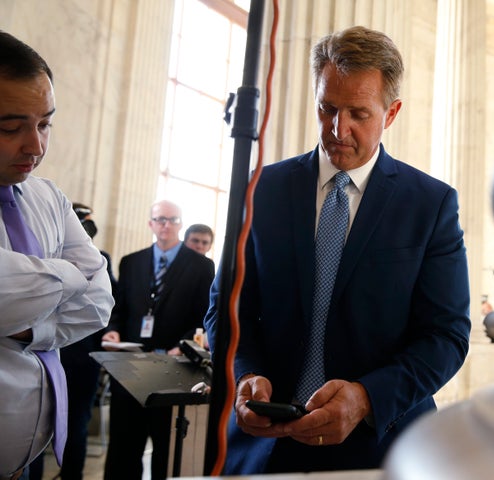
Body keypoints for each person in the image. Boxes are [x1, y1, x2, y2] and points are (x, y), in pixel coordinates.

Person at [204, 26, 471, 474]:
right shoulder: (261, 190)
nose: (337, 128)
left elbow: (446, 335)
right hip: (265, 444)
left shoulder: (431, 205)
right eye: (327, 108)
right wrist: (247, 375)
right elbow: (226, 308)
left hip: (383, 444)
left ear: (391, 113)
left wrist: (368, 397)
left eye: (358, 113)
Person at [0, 31, 114, 479]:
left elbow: (99, 301)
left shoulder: (48, 197)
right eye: (11, 128)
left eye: (45, 123)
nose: (36, 146)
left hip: (29, 460)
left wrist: (29, 330)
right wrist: (69, 275)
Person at [101, 199, 215, 479]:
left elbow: (205, 315)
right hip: (130, 365)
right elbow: (119, 307)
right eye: (160, 219)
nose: (166, 225)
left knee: (167, 446)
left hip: (171, 367)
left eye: (172, 220)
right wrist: (112, 329)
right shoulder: (131, 262)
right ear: (151, 224)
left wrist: (186, 343)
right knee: (124, 445)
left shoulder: (201, 266)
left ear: (180, 224)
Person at [46, 203, 118, 480]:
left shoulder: (99, 259)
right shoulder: (44, 256)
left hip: (78, 356)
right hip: (47, 351)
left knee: (75, 420)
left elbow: (108, 303)